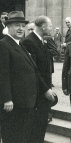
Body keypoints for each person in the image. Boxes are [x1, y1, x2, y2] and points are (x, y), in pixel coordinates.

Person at [0, 11, 54, 143]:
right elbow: (3, 73)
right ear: (8, 27)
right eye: (16, 25)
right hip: (14, 105)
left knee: (23, 137)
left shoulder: (19, 44)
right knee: (13, 137)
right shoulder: (4, 44)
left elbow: (33, 71)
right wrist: (7, 99)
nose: (20, 29)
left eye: (22, 26)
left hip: (26, 104)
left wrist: (44, 89)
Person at [22, 15, 56, 143]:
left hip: (43, 93)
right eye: (50, 25)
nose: (51, 28)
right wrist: (45, 89)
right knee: (35, 128)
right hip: (37, 94)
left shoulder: (42, 40)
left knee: (41, 126)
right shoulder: (29, 42)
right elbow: (33, 70)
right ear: (43, 26)